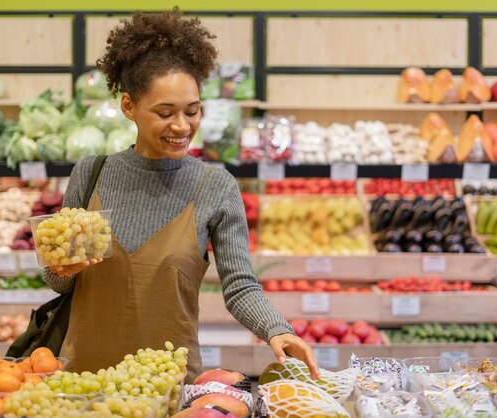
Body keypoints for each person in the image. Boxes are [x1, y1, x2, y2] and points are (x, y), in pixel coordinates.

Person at [43, 9, 319, 383]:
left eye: (192, 111)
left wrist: (275, 329)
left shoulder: (215, 187)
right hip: (82, 383)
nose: (182, 126)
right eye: (165, 112)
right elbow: (61, 280)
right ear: (128, 106)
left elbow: (238, 284)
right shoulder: (90, 173)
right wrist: (60, 269)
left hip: (169, 387)